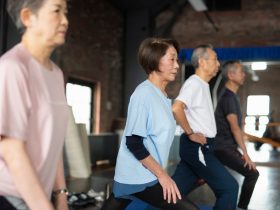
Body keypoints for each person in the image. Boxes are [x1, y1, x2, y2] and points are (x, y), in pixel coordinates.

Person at [101, 37, 198, 210]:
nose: (177, 65)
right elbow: (134, 142)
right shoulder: (144, 94)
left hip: (146, 173)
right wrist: (163, 175)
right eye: (172, 59)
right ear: (155, 60)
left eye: (177, 60)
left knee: (116, 203)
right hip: (139, 176)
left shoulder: (161, 95)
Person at [0, 0, 69, 210]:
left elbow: (53, 141)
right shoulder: (13, 67)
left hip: (41, 195)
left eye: (66, 12)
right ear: (28, 17)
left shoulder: (56, 74)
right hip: (10, 197)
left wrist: (61, 195)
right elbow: (11, 149)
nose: (65, 21)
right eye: (57, 11)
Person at [172, 44, 239, 210]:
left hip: (203, 147)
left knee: (173, 193)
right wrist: (190, 133)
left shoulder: (202, 85)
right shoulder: (194, 83)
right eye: (215, 60)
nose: (218, 64)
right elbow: (176, 107)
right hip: (197, 147)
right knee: (229, 188)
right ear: (202, 62)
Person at [214, 60, 259, 210]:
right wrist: (246, 154)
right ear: (231, 75)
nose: (244, 74)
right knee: (252, 174)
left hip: (225, 147)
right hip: (223, 148)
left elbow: (236, 128)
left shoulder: (232, 96)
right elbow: (235, 128)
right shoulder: (228, 98)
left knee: (200, 179)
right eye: (241, 71)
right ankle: (241, 208)